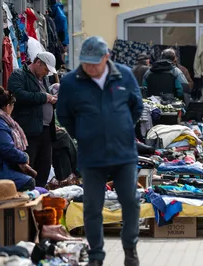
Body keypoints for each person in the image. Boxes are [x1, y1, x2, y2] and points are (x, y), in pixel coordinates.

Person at [57, 36, 143, 266]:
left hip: (123, 153)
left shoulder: (124, 75)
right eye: (85, 63)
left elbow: (137, 107)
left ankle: (130, 249)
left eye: (94, 63)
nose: (89, 68)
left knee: (131, 202)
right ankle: (96, 255)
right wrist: (84, 134)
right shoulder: (71, 82)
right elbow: (64, 116)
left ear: (106, 57)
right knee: (92, 206)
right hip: (91, 155)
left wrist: (121, 129)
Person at [7, 52, 57, 187]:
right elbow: (18, 95)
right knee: (29, 166)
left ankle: (39, 195)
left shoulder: (44, 79)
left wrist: (53, 98)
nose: (46, 73)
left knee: (44, 166)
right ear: (38, 62)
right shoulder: (18, 75)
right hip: (28, 131)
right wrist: (44, 97)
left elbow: (45, 97)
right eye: (46, 69)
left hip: (45, 130)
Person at [0, 86, 35, 192]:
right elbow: (7, 149)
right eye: (13, 106)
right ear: (8, 106)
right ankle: (10, 208)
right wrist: (24, 157)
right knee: (28, 182)